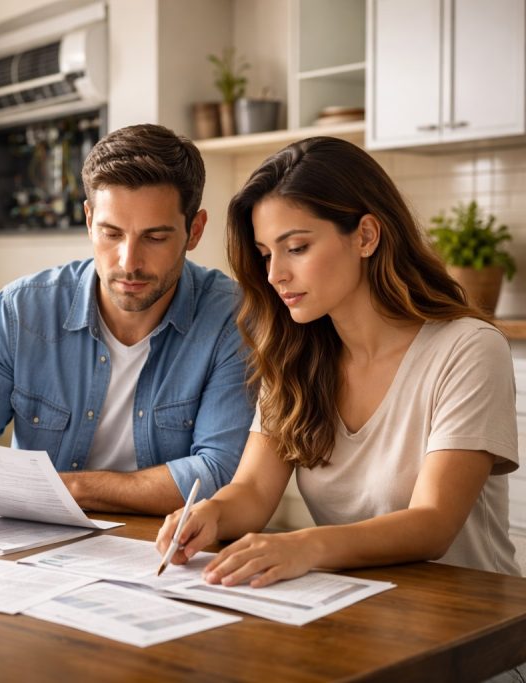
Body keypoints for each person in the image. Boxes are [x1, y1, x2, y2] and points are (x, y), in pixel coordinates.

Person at [156, 136, 520, 591]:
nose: (275, 274)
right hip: (357, 609)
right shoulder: (295, 355)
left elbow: (433, 523)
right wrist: (211, 512)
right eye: (266, 254)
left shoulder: (467, 349)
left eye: (297, 247)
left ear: (365, 236)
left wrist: (304, 546)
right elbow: (253, 491)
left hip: (472, 619)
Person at [0, 123, 254, 522]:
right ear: (89, 220)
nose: (128, 262)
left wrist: (67, 489)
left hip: (164, 546)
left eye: (155, 238)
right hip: (35, 545)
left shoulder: (232, 318)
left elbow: (218, 474)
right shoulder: (21, 312)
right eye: (111, 234)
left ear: (195, 230)